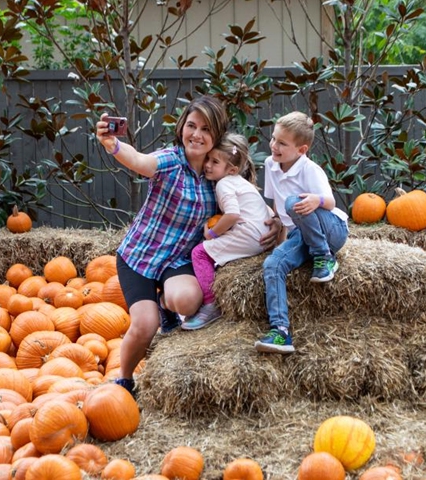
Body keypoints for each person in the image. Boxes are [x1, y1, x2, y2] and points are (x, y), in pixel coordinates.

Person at [94, 96, 228, 396]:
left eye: (206, 129)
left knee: (189, 301)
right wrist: (113, 145)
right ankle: (125, 380)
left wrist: (271, 222)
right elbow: (140, 161)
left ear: (216, 135)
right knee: (144, 325)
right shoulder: (171, 160)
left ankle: (167, 305)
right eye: (191, 126)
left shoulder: (217, 175)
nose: (196, 134)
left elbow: (244, 200)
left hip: (176, 260)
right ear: (181, 128)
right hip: (140, 257)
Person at [255, 111, 350, 354]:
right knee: (273, 264)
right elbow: (277, 204)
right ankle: (280, 331)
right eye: (274, 139)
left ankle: (325, 258)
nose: (274, 146)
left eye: (282, 143)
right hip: (301, 233)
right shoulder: (270, 164)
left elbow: (330, 202)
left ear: (301, 149)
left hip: (331, 231)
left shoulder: (310, 170)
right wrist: (277, 228)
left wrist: (315, 200)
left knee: (292, 202)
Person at [182, 133, 273, 331]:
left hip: (249, 236)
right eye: (208, 159)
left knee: (199, 252)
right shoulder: (242, 182)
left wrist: (211, 234)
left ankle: (210, 304)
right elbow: (265, 209)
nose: (207, 165)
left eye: (215, 162)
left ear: (231, 169)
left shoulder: (224, 184)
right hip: (261, 235)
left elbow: (232, 214)